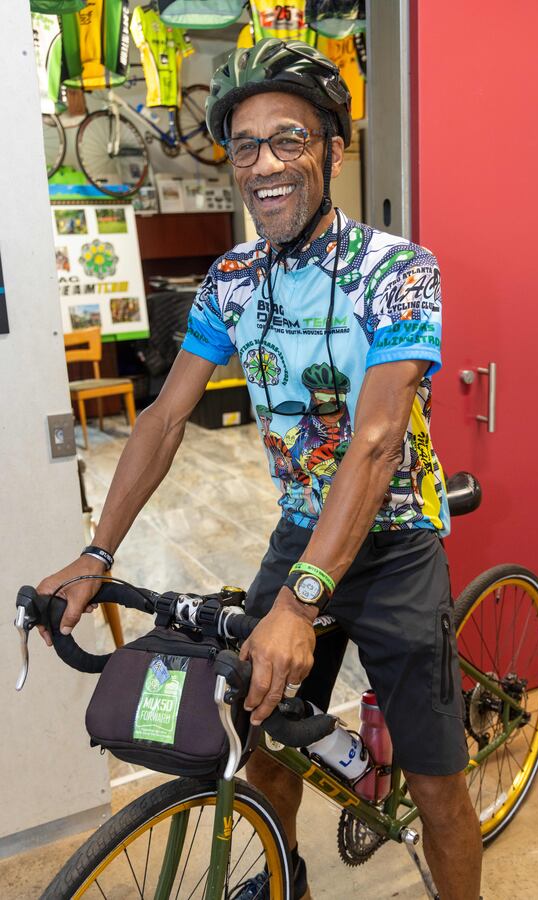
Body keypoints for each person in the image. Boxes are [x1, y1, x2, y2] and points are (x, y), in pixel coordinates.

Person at [37, 38, 482, 900]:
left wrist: (300, 602)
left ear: (333, 151)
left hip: (394, 543)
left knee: (435, 785)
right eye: (245, 145)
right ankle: (283, 881)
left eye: (290, 139)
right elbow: (166, 418)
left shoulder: (398, 272)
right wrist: (99, 553)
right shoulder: (232, 278)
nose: (264, 163)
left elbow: (378, 439)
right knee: (261, 739)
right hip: (299, 532)